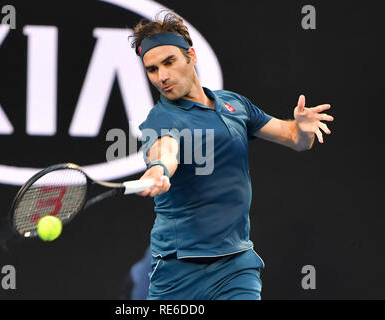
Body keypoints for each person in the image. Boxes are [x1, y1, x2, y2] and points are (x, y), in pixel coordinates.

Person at [130, 11, 333, 300]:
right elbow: (165, 150)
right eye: (152, 69)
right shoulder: (160, 119)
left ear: (191, 56)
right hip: (178, 270)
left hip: (236, 264)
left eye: (169, 62)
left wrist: (301, 129)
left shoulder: (234, 105)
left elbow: (295, 141)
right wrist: (159, 169)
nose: (162, 76)